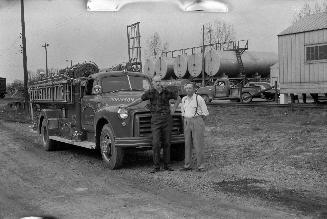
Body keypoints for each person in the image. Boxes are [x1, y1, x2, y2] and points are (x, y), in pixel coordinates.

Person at [121, 76, 181, 173]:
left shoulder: (167, 91)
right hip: (156, 119)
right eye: (156, 81)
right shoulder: (150, 92)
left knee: (167, 143)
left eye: (159, 81)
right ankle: (156, 166)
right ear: (152, 83)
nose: (158, 83)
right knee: (156, 143)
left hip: (167, 119)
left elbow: (178, 98)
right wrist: (127, 106)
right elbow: (140, 100)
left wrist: (173, 109)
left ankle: (167, 165)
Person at [179, 82, 209, 172]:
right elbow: (183, 112)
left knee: (198, 144)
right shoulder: (184, 99)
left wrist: (199, 122)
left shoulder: (198, 98)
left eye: (190, 88)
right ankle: (187, 165)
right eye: (187, 88)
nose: (188, 90)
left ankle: (201, 166)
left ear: (194, 89)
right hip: (187, 121)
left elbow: (205, 113)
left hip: (197, 120)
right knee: (187, 144)